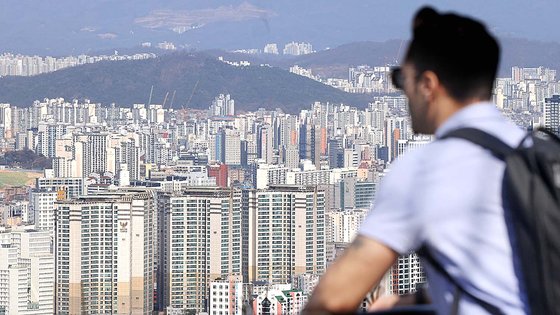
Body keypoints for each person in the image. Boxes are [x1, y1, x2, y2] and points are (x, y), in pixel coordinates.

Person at [303, 6, 528, 315]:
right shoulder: (535, 153)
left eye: (400, 79)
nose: (402, 92)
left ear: (427, 86)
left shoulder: (426, 169)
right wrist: (415, 299)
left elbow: (331, 301)